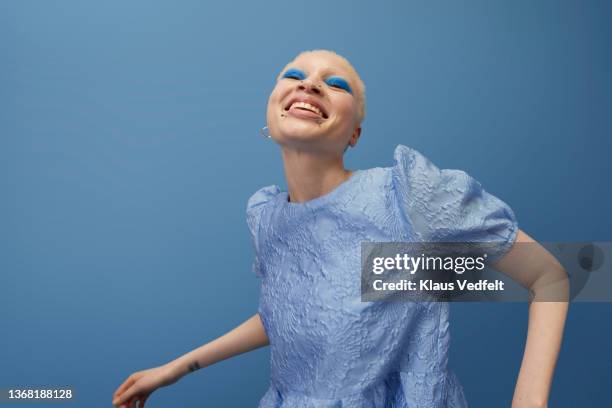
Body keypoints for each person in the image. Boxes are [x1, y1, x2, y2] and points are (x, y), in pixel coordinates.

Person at [112, 49, 569, 408]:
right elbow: (295, 313)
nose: (310, 83)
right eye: (294, 76)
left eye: (335, 83)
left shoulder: (406, 196)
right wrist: (177, 368)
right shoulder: (267, 216)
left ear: (354, 134)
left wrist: (530, 400)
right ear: (270, 118)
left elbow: (550, 276)